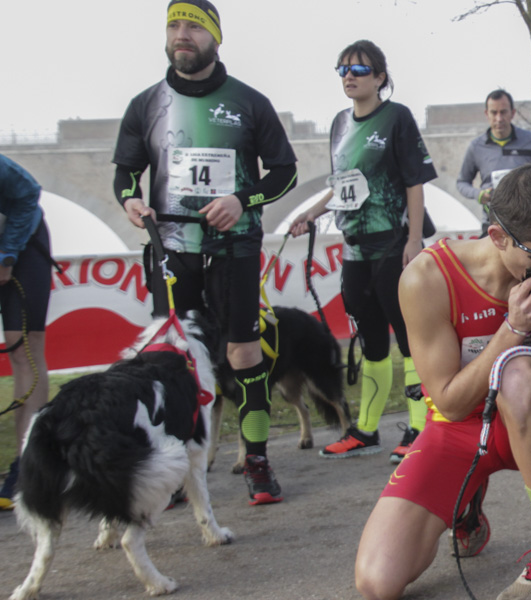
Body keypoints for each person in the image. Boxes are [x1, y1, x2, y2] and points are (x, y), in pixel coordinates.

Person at [355, 163, 531, 600]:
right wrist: (512, 328)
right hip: (458, 427)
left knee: (518, 373)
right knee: (376, 583)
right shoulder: (426, 277)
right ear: (498, 237)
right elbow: (451, 403)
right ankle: (467, 502)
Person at [112, 0, 298, 505]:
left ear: (215, 37)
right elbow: (126, 172)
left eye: (193, 25)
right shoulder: (145, 104)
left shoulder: (249, 102)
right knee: (173, 358)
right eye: (174, 25)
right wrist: (130, 198)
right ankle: (175, 468)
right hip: (172, 246)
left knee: (243, 351)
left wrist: (243, 199)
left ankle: (256, 460)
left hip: (234, 243)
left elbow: (285, 172)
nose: (182, 34)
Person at [290, 40, 435, 464]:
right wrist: (312, 212)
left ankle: (419, 429)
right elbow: (342, 184)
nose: (349, 76)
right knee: (371, 342)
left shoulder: (397, 117)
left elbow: (414, 181)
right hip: (354, 249)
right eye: (342, 70)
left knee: (408, 341)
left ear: (380, 77)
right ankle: (366, 430)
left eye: (359, 68)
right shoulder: (338, 123)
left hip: (393, 243)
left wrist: (412, 240)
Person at [0, 155, 52, 511]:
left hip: (22, 245)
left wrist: (7, 255)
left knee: (23, 349)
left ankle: (27, 466)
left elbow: (29, 192)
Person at [456, 90, 531, 231]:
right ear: (487, 114)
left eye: (503, 112)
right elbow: (462, 183)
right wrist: (479, 194)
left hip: (527, 222)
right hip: (492, 223)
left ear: (513, 113)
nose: (499, 118)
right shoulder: (476, 147)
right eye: (494, 112)